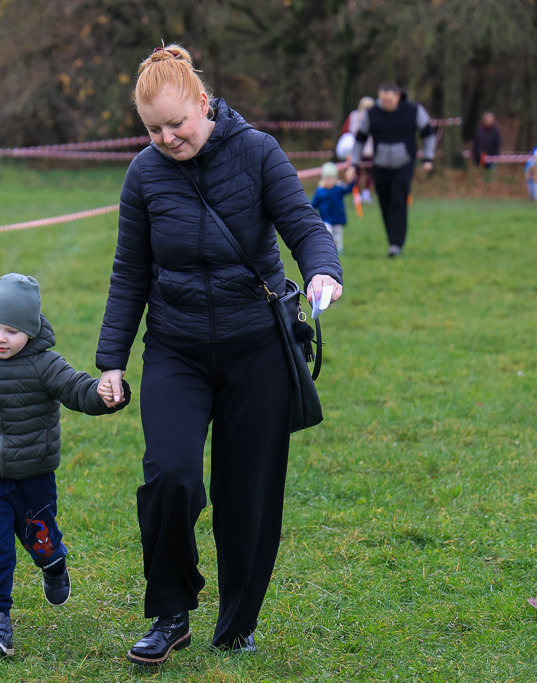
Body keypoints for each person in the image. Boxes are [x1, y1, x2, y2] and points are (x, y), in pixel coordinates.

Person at [94, 44, 343, 667]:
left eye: (176, 123)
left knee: (247, 497)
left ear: (203, 103)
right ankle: (170, 612)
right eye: (152, 129)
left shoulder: (258, 152)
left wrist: (322, 272)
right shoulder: (144, 175)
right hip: (176, 352)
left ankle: (238, 622)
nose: (166, 138)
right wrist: (112, 359)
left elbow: (305, 227)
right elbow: (129, 273)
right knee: (170, 476)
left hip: (255, 349)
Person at [0, 273, 131, 659]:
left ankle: (53, 564)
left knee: (41, 539)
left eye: (13, 331)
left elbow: (77, 390)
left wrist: (104, 396)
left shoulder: (45, 364)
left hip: (33, 474)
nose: (1, 338)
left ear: (32, 333)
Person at [351, 83, 436, 257]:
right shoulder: (372, 113)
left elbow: (428, 132)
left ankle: (396, 243)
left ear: (397, 96)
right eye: (382, 100)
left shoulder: (413, 110)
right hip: (380, 164)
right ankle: (392, 239)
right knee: (385, 202)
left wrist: (428, 158)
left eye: (388, 100)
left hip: (404, 163)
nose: (385, 103)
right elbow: (360, 139)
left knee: (398, 199)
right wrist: (354, 163)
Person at [311, 161, 357, 253]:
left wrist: (352, 180)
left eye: (331, 178)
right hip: (326, 218)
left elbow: (348, 189)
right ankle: (328, 248)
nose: (329, 181)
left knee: (338, 234)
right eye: (326, 178)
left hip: (338, 218)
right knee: (328, 231)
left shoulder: (338, 189)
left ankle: (339, 250)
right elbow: (313, 204)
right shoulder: (320, 191)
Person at [342, 96, 375, 202]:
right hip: (358, 150)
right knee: (357, 173)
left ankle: (364, 194)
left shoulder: (373, 117)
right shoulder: (354, 116)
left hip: (369, 150)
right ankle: (358, 195)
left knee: (368, 172)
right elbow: (346, 131)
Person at [471, 111, 501, 176]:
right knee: (480, 176)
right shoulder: (479, 132)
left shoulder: (495, 132)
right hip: (480, 158)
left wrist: (495, 156)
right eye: (488, 120)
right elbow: (475, 146)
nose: (490, 122)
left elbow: (497, 144)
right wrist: (476, 159)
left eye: (491, 120)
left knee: (490, 176)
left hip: (491, 158)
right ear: (484, 121)